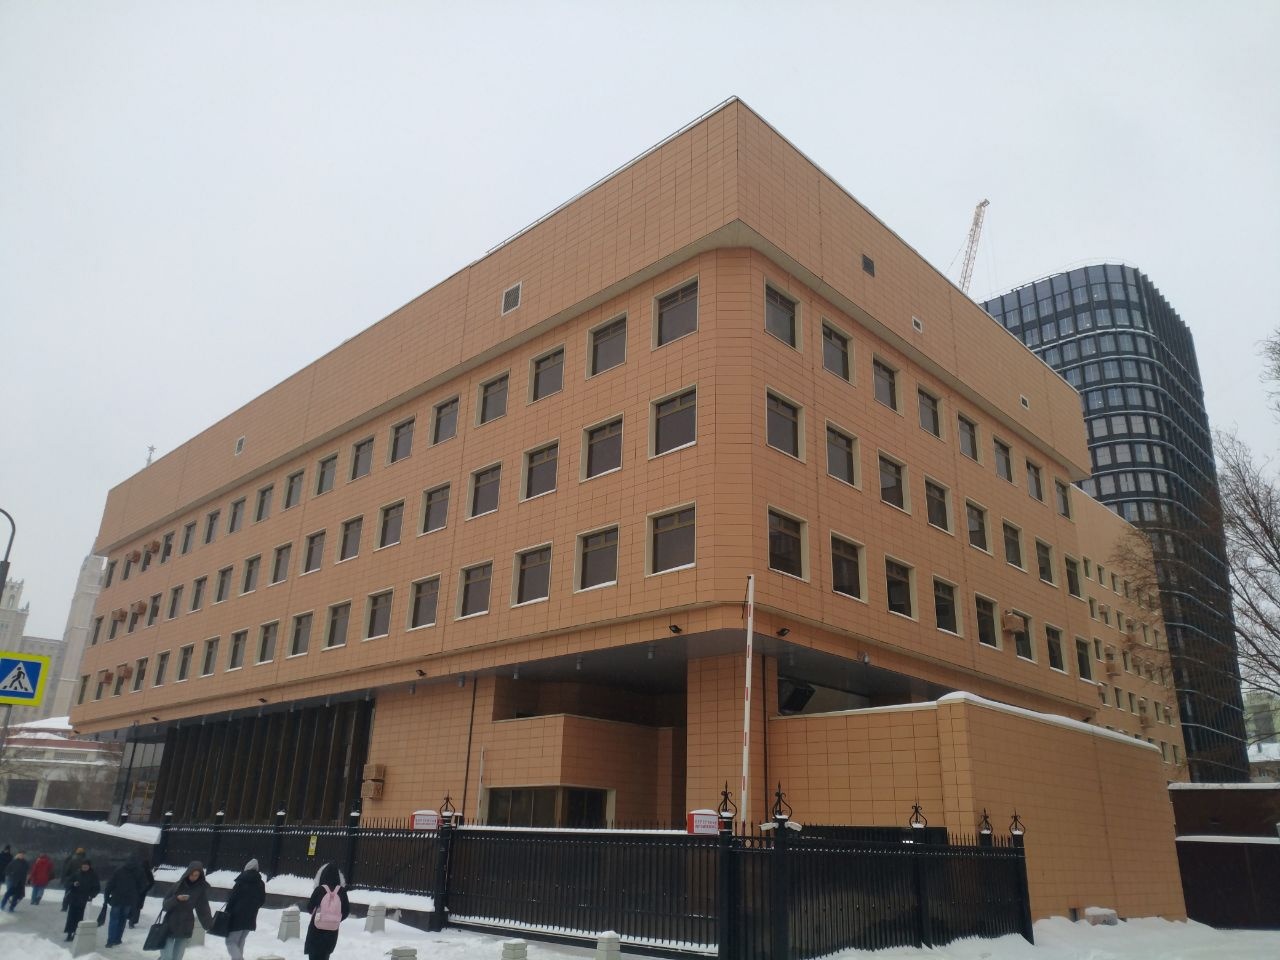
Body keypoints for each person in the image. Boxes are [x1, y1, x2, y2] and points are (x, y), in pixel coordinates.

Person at [158, 861, 213, 960]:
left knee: (177, 957)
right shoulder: (177, 886)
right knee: (167, 957)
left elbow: (203, 909)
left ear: (200, 876)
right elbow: (165, 906)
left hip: (186, 925)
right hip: (170, 924)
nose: (193, 877)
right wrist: (176, 899)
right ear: (188, 873)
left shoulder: (200, 890)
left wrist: (209, 925)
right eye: (192, 874)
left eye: (196, 875)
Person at [303, 862, 349, 960]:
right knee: (325, 954)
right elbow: (346, 911)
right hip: (332, 930)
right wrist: (335, 917)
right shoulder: (342, 892)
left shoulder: (319, 889)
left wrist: (318, 914)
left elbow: (310, 907)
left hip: (316, 928)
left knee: (314, 954)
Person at [223, 859, 266, 960]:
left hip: (236, 916)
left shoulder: (241, 880)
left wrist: (227, 912)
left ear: (246, 868)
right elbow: (262, 900)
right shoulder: (260, 883)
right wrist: (252, 908)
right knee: (240, 942)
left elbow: (232, 898)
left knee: (230, 942)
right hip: (251, 917)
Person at [103, 854, 148, 947]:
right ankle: (118, 939)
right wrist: (135, 893)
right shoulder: (140, 872)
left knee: (114, 920)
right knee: (122, 920)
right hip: (129, 900)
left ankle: (110, 940)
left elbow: (110, 884)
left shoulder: (119, 870)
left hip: (117, 898)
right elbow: (143, 885)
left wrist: (106, 897)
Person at [62, 859, 100, 942]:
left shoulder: (93, 875)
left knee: (80, 918)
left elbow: (97, 888)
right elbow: (67, 883)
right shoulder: (76, 873)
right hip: (74, 898)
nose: (84, 867)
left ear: (89, 866)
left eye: (86, 865)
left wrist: (91, 895)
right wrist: (73, 884)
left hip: (85, 900)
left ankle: (77, 934)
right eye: (83, 865)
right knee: (71, 917)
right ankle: (69, 933)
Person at [130, 858, 155, 928]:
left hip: (135, 890)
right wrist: (146, 889)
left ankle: (131, 919)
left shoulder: (137, 870)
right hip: (142, 892)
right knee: (138, 907)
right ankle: (133, 921)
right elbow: (152, 882)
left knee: (133, 905)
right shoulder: (148, 871)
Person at [61, 847, 87, 912]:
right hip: (81, 880)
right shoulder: (86, 861)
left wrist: (65, 877)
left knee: (68, 893)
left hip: (71, 879)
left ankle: (64, 907)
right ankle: (75, 907)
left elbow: (67, 870)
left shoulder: (72, 860)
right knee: (79, 894)